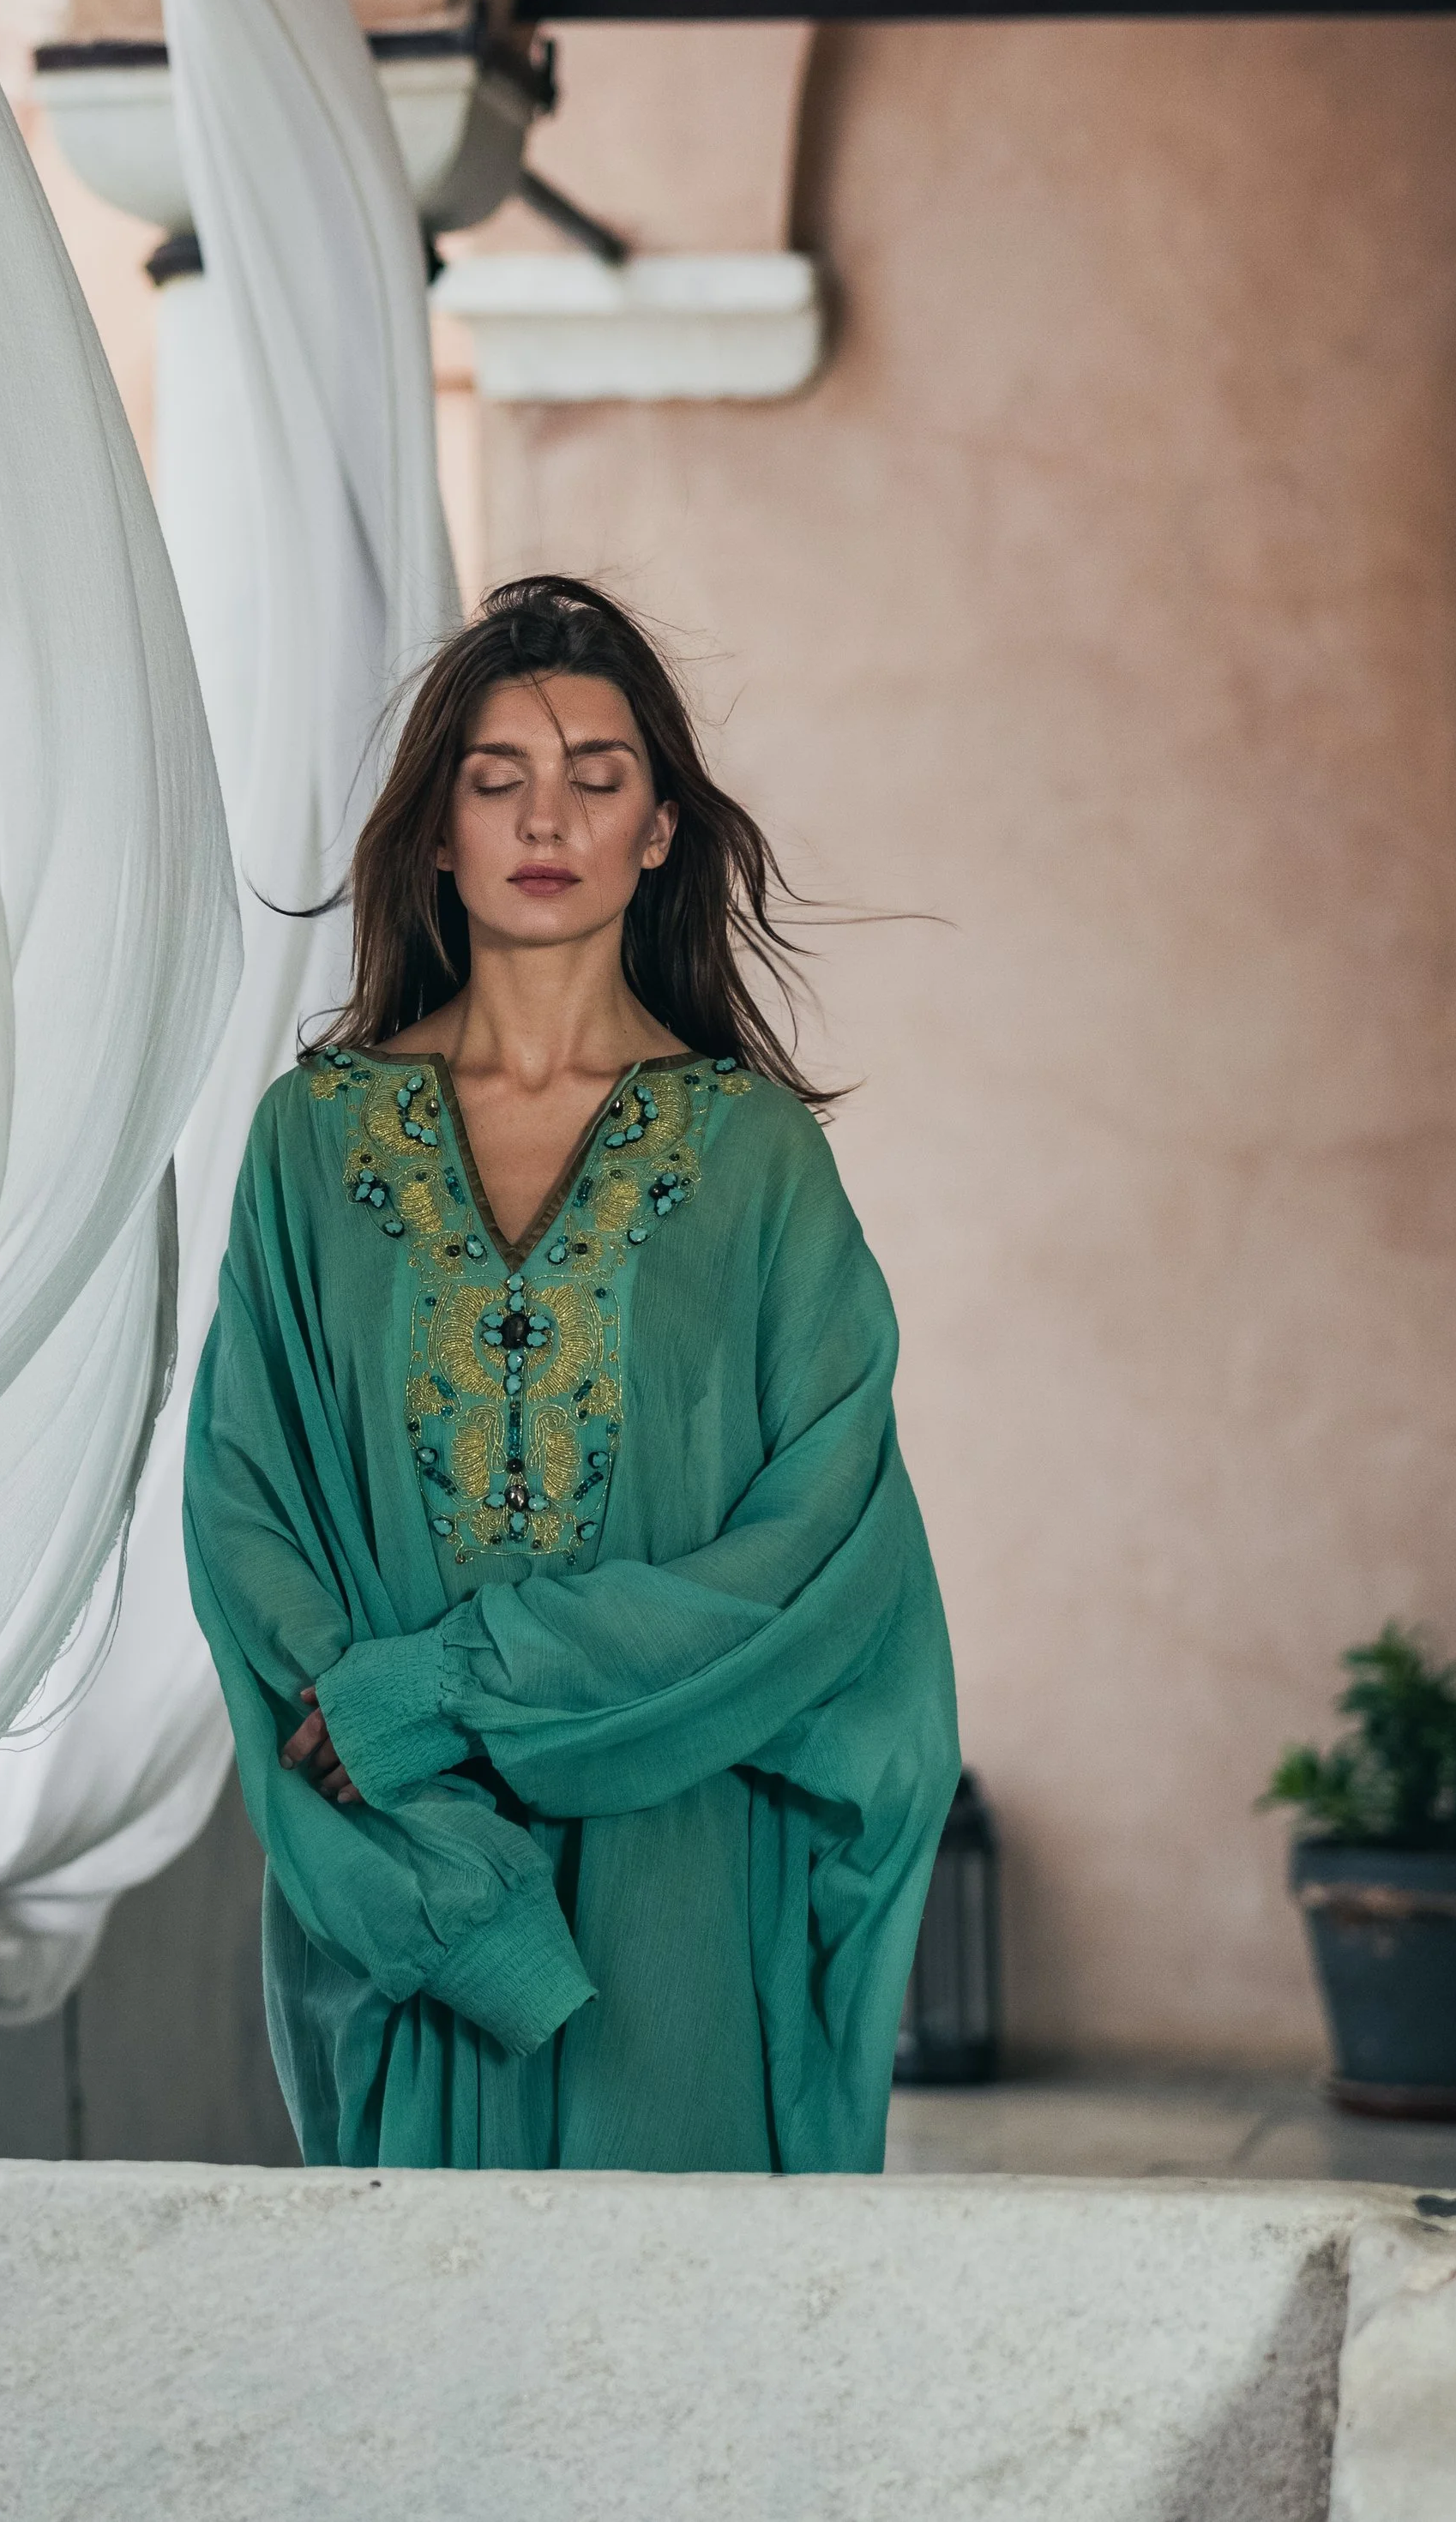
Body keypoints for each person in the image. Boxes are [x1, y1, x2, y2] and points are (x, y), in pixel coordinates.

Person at [184, 575, 959, 2170]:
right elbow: (242, 1495)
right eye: (496, 778)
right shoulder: (313, 1144)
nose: (548, 817)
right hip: (415, 1858)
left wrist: (449, 1684)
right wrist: (407, 1780)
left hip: (682, 1864)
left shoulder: (753, 1162)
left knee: (675, 2366)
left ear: (658, 830)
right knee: (423, 2380)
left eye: (597, 777)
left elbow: (820, 1540)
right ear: (440, 833)